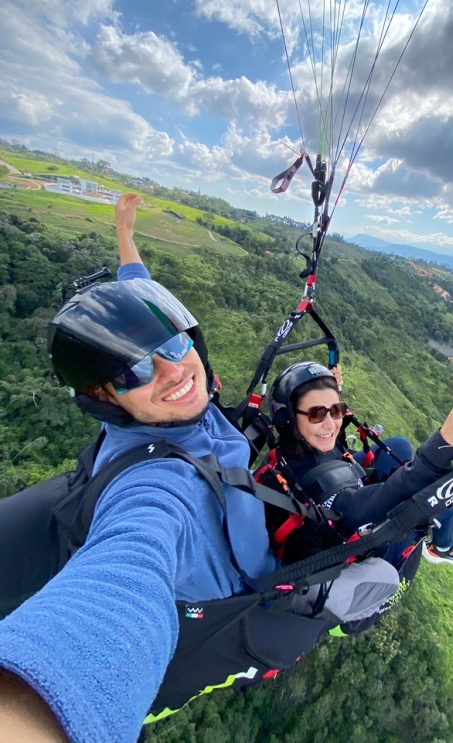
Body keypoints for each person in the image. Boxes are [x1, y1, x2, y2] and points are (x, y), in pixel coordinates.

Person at [0, 195, 398, 742]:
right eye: (135, 371)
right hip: (243, 600)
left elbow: (143, 302)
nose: (172, 370)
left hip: (248, 538)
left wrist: (125, 238)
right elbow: (121, 582)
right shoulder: (158, 488)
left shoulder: (185, 409)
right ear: (104, 399)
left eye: (173, 343)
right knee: (382, 577)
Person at [266, 361, 453, 575]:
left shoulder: (299, 445)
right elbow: (363, 510)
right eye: (317, 414)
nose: (331, 423)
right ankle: (443, 547)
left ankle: (403, 487)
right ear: (288, 419)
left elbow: (331, 431)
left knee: (399, 446)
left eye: (336, 410)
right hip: (343, 534)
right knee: (439, 501)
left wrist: (333, 391)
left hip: (341, 475)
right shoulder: (313, 486)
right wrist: (443, 445)